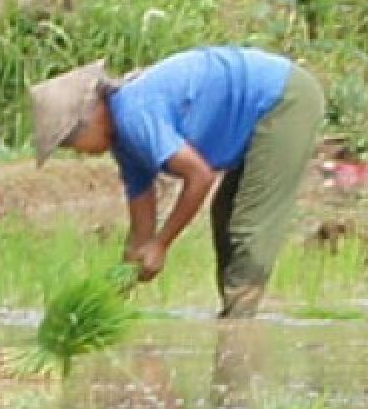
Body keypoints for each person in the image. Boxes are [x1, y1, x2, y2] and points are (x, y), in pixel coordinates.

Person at [29, 46, 325, 318]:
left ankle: (239, 329)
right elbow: (140, 231)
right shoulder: (124, 143)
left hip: (284, 99)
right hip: (262, 103)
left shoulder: (134, 115)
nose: (80, 153)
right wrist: (114, 292)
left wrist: (161, 244)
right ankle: (234, 313)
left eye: (72, 144)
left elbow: (199, 175)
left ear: (92, 117)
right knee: (225, 213)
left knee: (249, 223)